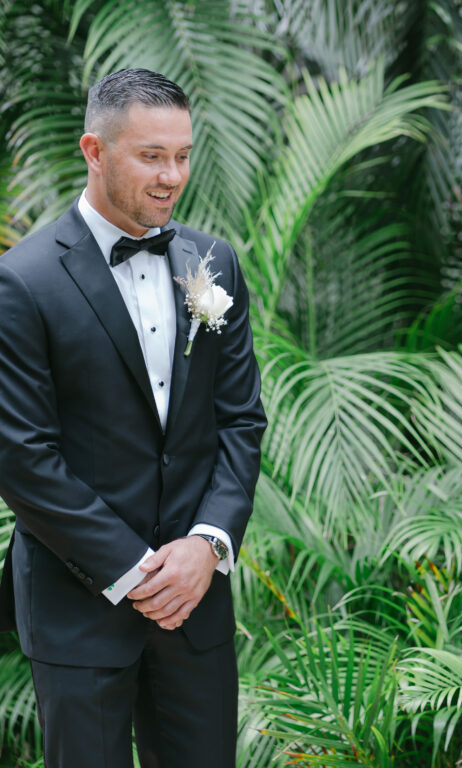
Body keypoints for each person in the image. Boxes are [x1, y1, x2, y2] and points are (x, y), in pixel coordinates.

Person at [0, 68, 267, 768]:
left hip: (197, 605)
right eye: (152, 156)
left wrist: (206, 545)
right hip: (78, 610)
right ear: (94, 149)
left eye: (183, 154)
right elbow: (22, 457)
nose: (173, 175)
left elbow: (240, 421)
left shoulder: (214, 263)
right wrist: (137, 572)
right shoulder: (22, 282)